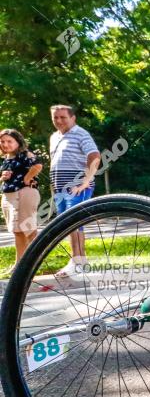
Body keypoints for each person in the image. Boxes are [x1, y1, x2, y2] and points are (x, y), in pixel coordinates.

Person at [49, 105, 100, 277]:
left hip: (77, 187)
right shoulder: (54, 137)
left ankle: (77, 261)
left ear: (73, 118)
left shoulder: (81, 134)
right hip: (60, 189)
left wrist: (86, 182)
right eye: (55, 117)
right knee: (68, 225)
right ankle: (79, 262)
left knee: (74, 223)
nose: (59, 120)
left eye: (63, 117)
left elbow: (95, 156)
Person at [0, 129, 42, 266]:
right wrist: (3, 177)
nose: (6, 144)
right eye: (2, 141)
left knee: (28, 230)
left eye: (9, 141)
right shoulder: (6, 158)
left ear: (18, 142)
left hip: (24, 193)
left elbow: (37, 165)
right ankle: (20, 265)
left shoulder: (25, 154)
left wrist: (27, 178)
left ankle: (35, 263)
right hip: (9, 196)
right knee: (17, 231)